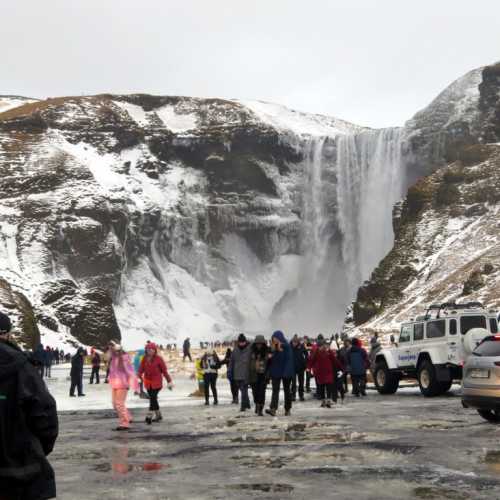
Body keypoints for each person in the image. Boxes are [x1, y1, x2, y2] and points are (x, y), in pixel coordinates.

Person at [0, 311, 59, 500]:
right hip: (22, 472)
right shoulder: (21, 368)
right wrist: (37, 449)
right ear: (7, 333)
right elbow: (45, 414)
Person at [138, 343, 173, 424]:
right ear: (146, 350)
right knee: (153, 398)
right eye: (148, 349)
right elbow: (140, 369)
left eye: (151, 350)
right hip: (148, 382)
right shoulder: (144, 358)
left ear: (154, 350)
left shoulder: (159, 359)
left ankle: (149, 415)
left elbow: (164, 371)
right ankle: (158, 415)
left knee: (153, 397)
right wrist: (138, 376)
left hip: (157, 382)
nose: (149, 351)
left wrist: (169, 381)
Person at [108, 342, 139, 431]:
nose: (116, 352)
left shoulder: (124, 359)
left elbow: (131, 373)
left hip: (122, 384)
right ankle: (128, 417)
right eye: (115, 351)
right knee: (115, 404)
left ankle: (125, 423)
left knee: (119, 404)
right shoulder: (114, 358)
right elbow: (109, 352)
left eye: (118, 351)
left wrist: (135, 386)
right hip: (114, 384)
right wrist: (111, 346)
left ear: (121, 350)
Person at [266, 331, 294, 417]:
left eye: (276, 338)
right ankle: (273, 409)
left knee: (287, 391)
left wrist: (280, 346)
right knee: (275, 390)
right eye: (273, 339)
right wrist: (270, 356)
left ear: (280, 338)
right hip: (276, 372)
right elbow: (270, 360)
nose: (274, 340)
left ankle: (288, 409)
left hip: (286, 372)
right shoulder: (272, 347)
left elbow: (289, 360)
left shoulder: (287, 347)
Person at [309, 338, 343, 408]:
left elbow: (335, 360)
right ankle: (324, 400)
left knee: (328, 387)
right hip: (320, 372)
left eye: (323, 345)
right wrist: (309, 367)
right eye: (321, 346)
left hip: (328, 372)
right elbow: (312, 360)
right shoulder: (317, 352)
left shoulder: (328, 352)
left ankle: (328, 400)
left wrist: (341, 368)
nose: (322, 347)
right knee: (321, 387)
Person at [229, 334, 252, 412]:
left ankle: (243, 406)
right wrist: (230, 371)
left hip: (246, 373)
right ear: (238, 342)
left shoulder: (250, 349)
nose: (242, 343)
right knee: (242, 390)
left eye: (243, 342)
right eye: (240, 342)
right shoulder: (235, 350)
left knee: (244, 389)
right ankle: (247, 403)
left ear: (245, 341)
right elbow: (231, 361)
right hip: (237, 373)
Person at [249, 335, 269, 416]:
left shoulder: (267, 351)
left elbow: (269, 364)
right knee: (255, 392)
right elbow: (248, 363)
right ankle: (257, 404)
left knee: (262, 392)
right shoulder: (251, 351)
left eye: (261, 343)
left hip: (263, 375)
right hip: (254, 374)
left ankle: (260, 408)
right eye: (258, 343)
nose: (259, 345)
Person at [290, 335, 308, 402]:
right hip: (293, 368)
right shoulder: (290, 346)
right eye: (293, 342)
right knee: (293, 383)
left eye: (296, 342)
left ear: (298, 342)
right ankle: (293, 395)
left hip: (301, 367)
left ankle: (301, 395)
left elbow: (306, 354)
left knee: (301, 382)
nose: (294, 344)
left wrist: (304, 362)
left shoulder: (301, 346)